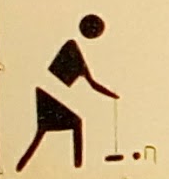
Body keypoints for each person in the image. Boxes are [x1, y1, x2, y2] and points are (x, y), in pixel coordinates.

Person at [18, 14, 121, 170]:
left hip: (48, 96)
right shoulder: (72, 49)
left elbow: (91, 84)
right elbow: (91, 84)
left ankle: (76, 164)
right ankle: (77, 165)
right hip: (49, 98)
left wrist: (112, 96)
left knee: (51, 130)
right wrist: (113, 96)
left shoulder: (72, 48)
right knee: (75, 122)